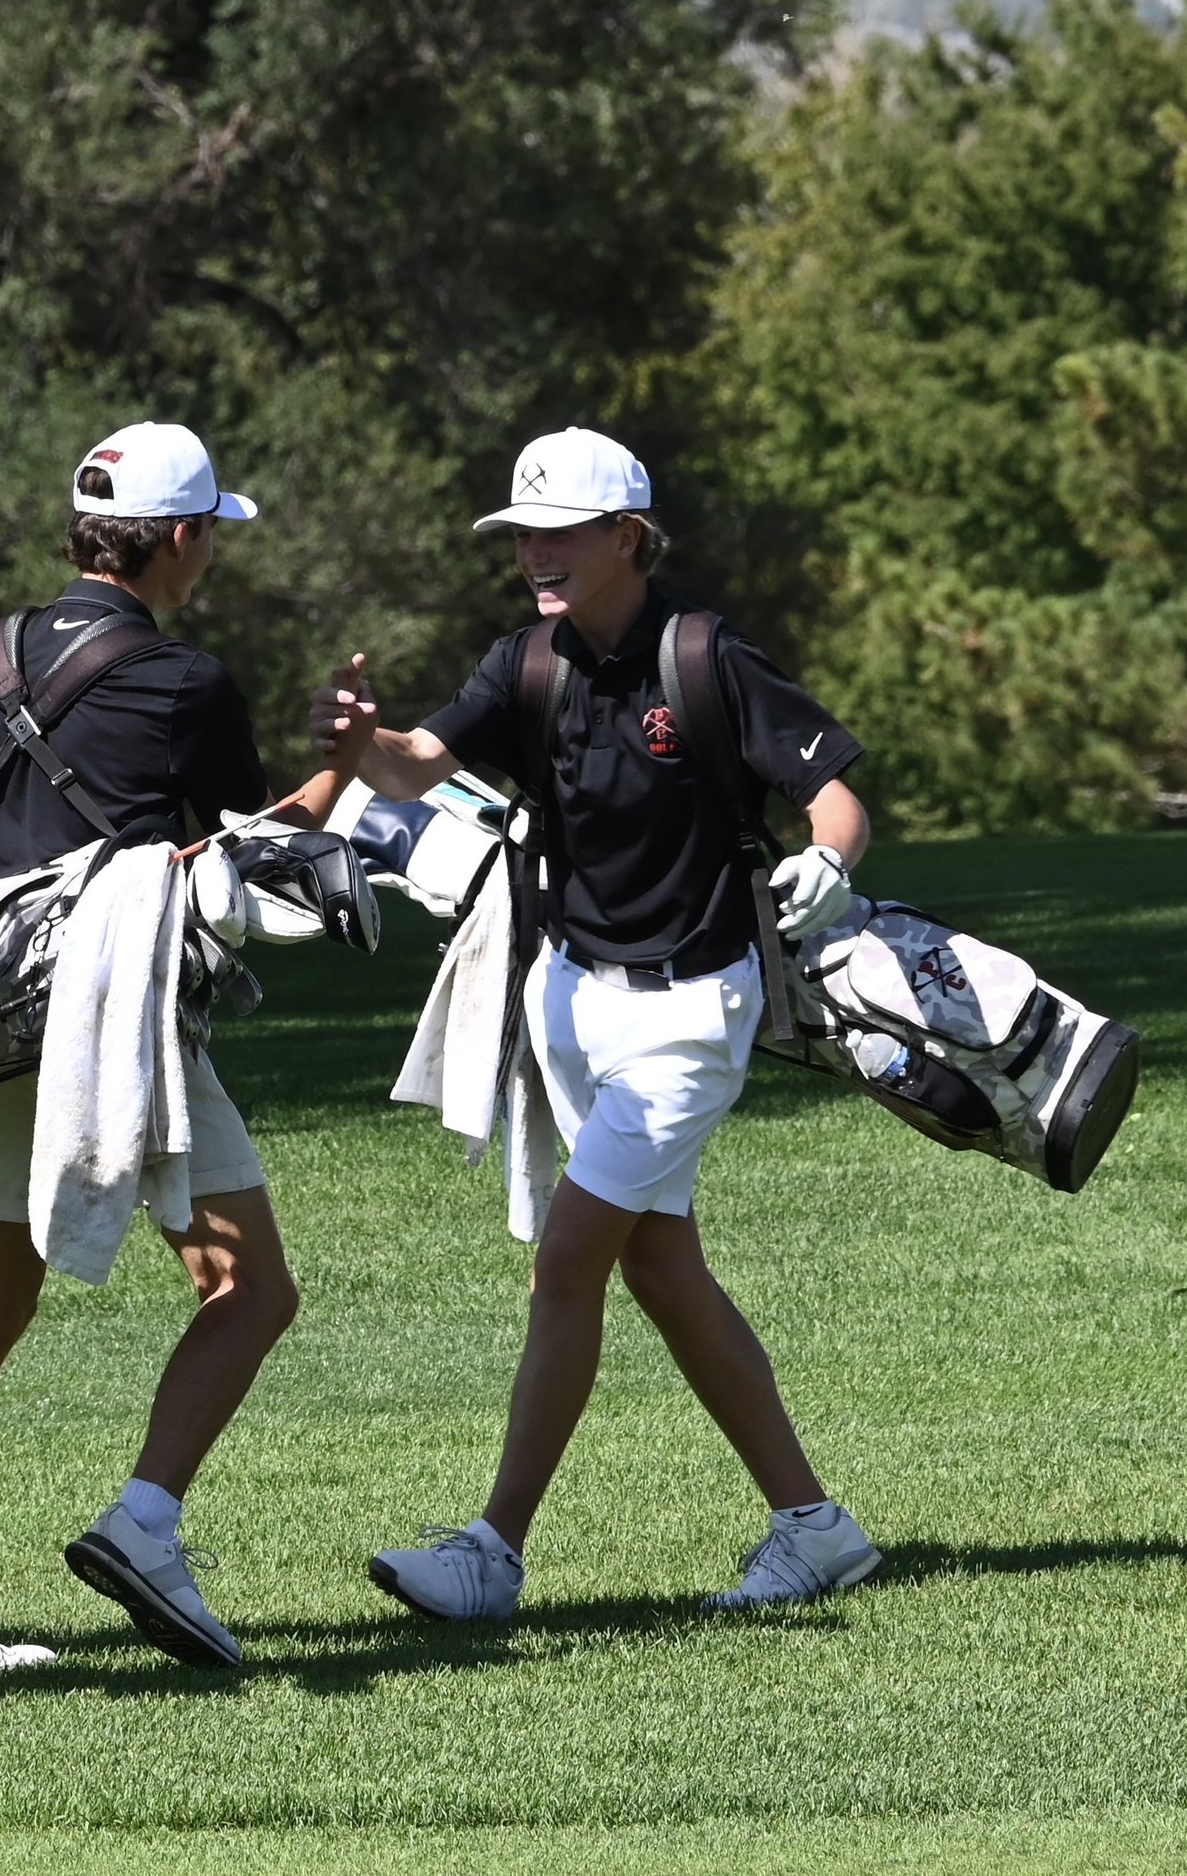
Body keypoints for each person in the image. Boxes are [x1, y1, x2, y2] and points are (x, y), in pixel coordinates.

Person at [315, 426, 882, 1620]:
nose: (534, 553)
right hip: (571, 1002)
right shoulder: (524, 661)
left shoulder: (706, 656)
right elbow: (417, 767)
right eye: (521, 534)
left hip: (691, 1015)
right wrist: (364, 743)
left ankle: (492, 1553)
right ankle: (813, 1524)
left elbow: (833, 795)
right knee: (661, 1268)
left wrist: (829, 860)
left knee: (567, 1263)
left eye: (557, 533)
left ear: (625, 535)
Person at [0, 421, 329, 1674]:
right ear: (176, 536)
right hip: (117, 1026)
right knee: (249, 1288)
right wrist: (339, 769)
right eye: (208, 534)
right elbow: (248, 854)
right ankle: (143, 1525)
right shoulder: (184, 680)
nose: (210, 554)